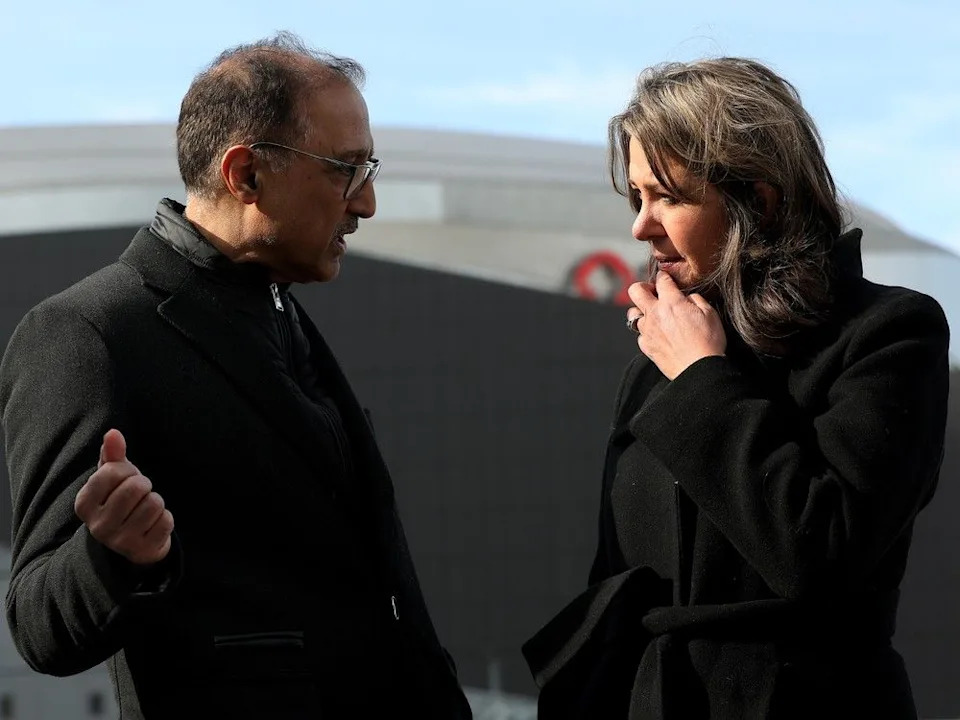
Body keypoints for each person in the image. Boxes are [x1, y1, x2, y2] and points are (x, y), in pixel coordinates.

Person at [0, 33, 471, 719]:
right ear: (245, 174)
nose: (366, 204)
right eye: (346, 170)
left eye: (369, 171)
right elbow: (39, 624)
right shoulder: (88, 332)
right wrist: (110, 555)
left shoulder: (283, 314)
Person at [522, 57, 950, 719]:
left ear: (760, 198)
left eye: (668, 195)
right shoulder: (654, 359)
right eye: (636, 197)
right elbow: (613, 592)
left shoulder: (889, 333)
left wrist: (701, 377)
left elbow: (820, 553)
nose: (641, 225)